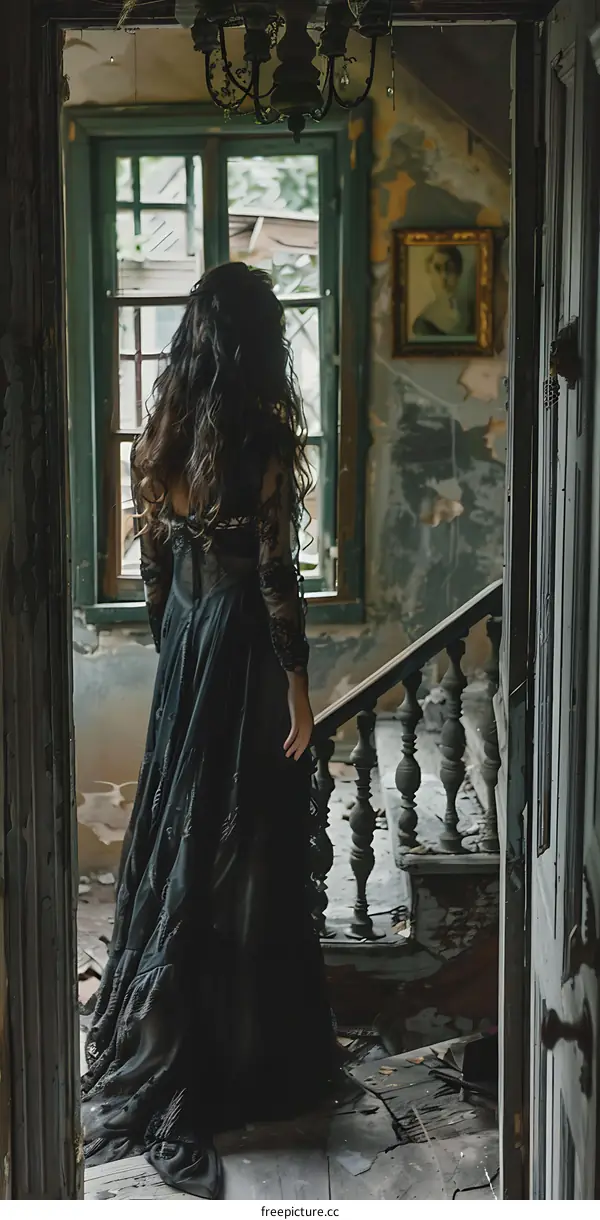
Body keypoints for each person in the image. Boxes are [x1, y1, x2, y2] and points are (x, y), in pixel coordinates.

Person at [81, 263, 337, 1198]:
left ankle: (173, 1023)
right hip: (241, 649)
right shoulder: (262, 437)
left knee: (187, 831)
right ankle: (243, 1052)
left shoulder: (163, 434)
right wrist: (300, 690)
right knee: (247, 837)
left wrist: (177, 647)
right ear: (259, 343)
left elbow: (151, 569)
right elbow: (276, 578)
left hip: (188, 640)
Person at [412, 244, 475, 338]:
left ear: (459, 273)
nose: (444, 276)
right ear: (430, 273)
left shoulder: (473, 313)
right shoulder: (424, 324)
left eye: (450, 269)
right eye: (437, 269)